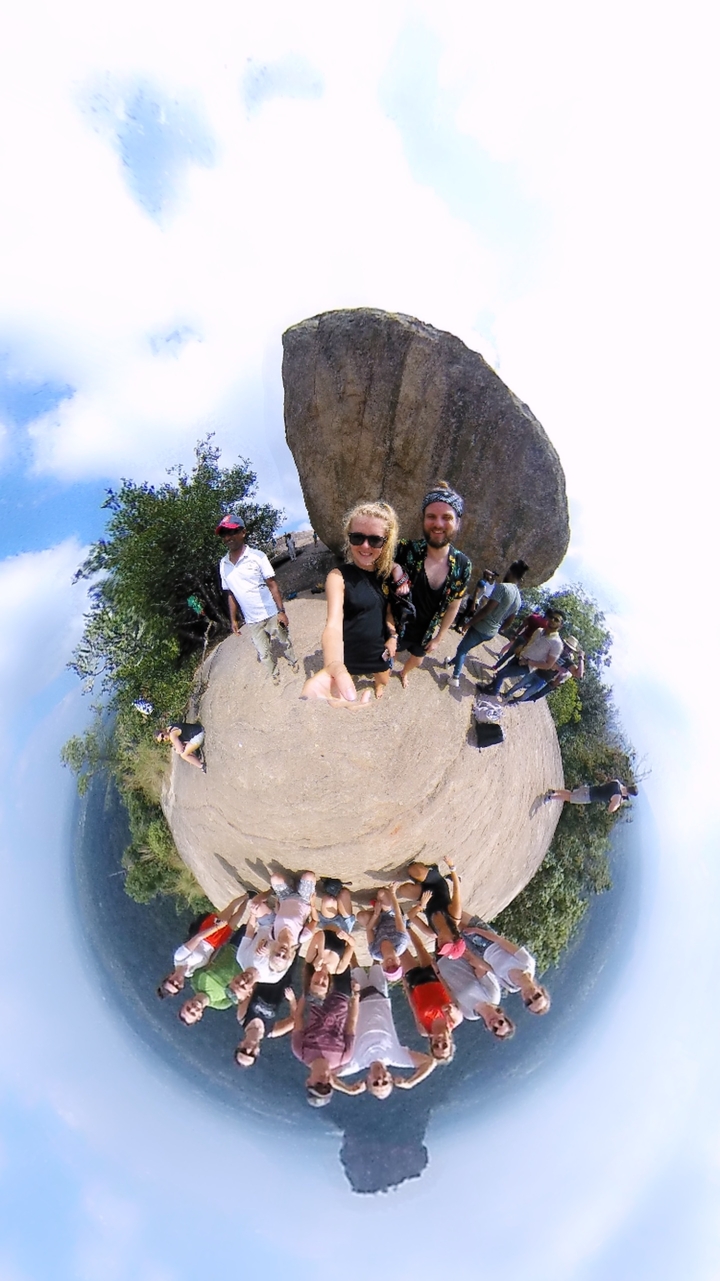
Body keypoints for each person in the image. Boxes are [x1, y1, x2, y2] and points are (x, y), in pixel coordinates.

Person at [301, 501, 400, 706]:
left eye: (375, 540)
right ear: (348, 538)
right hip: (350, 650)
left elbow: (389, 610)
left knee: (383, 680)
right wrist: (333, 664)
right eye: (357, 537)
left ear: (386, 542)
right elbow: (333, 626)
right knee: (347, 679)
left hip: (379, 648)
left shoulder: (388, 574)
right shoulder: (338, 577)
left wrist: (392, 637)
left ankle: (378, 684)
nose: (365, 546)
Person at [393, 482, 472, 688]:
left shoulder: (463, 566)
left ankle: (403, 672)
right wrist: (395, 568)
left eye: (447, 517)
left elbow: (455, 604)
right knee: (385, 655)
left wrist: (439, 637)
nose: (438, 524)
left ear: (458, 523)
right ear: (423, 519)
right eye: (431, 516)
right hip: (396, 625)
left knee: (417, 660)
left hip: (425, 632)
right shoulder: (404, 550)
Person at [216, 514, 299, 685]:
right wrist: (233, 619)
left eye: (232, 532)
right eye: (224, 534)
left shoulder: (257, 556)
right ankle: (274, 674)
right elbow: (230, 594)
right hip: (251, 620)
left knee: (284, 640)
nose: (228, 537)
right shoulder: (223, 564)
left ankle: (293, 662)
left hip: (270, 612)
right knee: (263, 652)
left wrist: (281, 612)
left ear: (243, 532)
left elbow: (272, 585)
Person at [336, 965, 436, 1099]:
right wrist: (410, 1083)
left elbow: (327, 1074)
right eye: (385, 1082)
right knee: (376, 962)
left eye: (376, 1083)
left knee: (355, 965)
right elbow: (429, 1062)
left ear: (368, 1080)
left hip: (358, 998)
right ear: (390, 1078)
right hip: (380, 994)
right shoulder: (396, 1057)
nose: (380, 1078)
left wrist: (347, 1089)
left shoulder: (355, 1063)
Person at [447, 559, 528, 686]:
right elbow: (510, 620)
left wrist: (469, 623)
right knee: (467, 647)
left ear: (510, 572)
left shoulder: (503, 587)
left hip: (482, 626)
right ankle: (450, 663)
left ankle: (455, 677)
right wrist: (500, 628)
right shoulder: (518, 599)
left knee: (462, 649)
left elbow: (486, 610)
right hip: (492, 631)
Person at [291, 967, 361, 1105]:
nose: (323, 1081)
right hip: (342, 994)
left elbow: (298, 1016)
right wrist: (356, 995)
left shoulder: (300, 1051)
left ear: (308, 1081)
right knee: (342, 955)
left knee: (323, 954)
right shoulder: (344, 1057)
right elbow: (352, 1022)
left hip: (318, 992)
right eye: (327, 1086)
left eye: (318, 1085)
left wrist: (307, 991)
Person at [157, 895, 248, 997]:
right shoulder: (190, 973)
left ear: (169, 976)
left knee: (230, 910)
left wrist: (217, 927)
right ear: (181, 987)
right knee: (236, 919)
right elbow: (209, 960)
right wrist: (220, 946)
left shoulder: (179, 957)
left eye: (172, 982)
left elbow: (197, 938)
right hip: (215, 944)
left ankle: (246, 896)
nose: (177, 982)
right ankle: (249, 899)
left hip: (208, 934)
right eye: (177, 987)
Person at [460, 917, 550, 1014]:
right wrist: (475, 930)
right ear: (541, 990)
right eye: (537, 996)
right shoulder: (527, 963)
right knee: (454, 913)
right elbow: (500, 941)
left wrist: (471, 956)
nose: (530, 996)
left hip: (479, 953)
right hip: (488, 940)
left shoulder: (511, 987)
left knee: (449, 925)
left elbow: (490, 969)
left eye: (529, 1002)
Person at [400, 927, 462, 1061]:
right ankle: (406, 925)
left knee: (400, 950)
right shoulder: (454, 1020)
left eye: (436, 1045)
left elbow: (414, 1007)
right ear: (451, 1043)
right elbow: (451, 994)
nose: (439, 1042)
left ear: (431, 1044)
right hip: (434, 977)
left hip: (415, 982)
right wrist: (439, 974)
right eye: (444, 1045)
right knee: (420, 947)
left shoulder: (424, 1030)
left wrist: (405, 986)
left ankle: (388, 923)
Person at [478, 610, 565, 699]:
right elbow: (531, 643)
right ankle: (490, 687)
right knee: (500, 672)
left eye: (556, 620)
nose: (552, 620)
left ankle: (494, 691)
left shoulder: (557, 644)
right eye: (552, 617)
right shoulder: (539, 631)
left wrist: (527, 662)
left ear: (560, 626)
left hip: (527, 666)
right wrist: (521, 648)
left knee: (502, 674)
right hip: (519, 657)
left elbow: (548, 665)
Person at [435, 943, 515, 1037]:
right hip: (452, 952)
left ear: (489, 1029)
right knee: (434, 931)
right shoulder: (493, 995)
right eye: (501, 1023)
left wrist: (437, 973)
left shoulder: (469, 1015)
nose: (495, 1023)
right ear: (503, 1016)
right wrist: (457, 949)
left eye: (495, 1029)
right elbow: (477, 966)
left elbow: (450, 993)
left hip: (439, 964)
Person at [396, 858, 466, 960]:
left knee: (403, 890)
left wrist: (421, 905)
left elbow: (411, 916)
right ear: (454, 936)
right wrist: (452, 867)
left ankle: (423, 878)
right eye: (446, 944)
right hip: (437, 885)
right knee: (414, 869)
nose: (441, 943)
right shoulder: (454, 915)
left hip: (424, 896)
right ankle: (432, 873)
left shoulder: (432, 932)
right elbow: (456, 889)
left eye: (441, 947)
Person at [178, 947, 252, 1024]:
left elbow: (211, 956)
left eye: (188, 1008)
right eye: (193, 1014)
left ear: (186, 1002)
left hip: (234, 947)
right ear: (199, 1016)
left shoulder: (195, 980)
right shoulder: (221, 1004)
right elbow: (243, 994)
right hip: (249, 967)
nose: (193, 1009)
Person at [355, 885, 412, 981]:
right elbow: (398, 915)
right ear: (399, 962)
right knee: (381, 893)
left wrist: (376, 914)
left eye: (387, 967)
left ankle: (377, 907)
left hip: (378, 924)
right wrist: (393, 893)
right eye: (394, 965)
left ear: (383, 966)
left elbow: (369, 929)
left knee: (361, 917)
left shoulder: (375, 953)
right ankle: (381, 905)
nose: (390, 963)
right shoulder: (401, 942)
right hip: (392, 916)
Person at [506, 635, 584, 704]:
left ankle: (514, 701)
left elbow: (579, 674)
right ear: (564, 644)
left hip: (544, 680)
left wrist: (581, 658)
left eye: (570, 649)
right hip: (537, 672)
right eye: (567, 647)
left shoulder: (568, 661)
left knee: (527, 694)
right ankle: (506, 695)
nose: (567, 650)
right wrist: (556, 667)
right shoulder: (555, 650)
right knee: (519, 684)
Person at [545, 779, 638, 813]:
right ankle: (550, 797)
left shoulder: (617, 782)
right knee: (569, 798)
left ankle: (554, 791)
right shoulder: (617, 798)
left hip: (590, 789)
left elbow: (608, 784)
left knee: (571, 794)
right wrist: (620, 803)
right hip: (589, 797)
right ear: (629, 794)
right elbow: (610, 809)